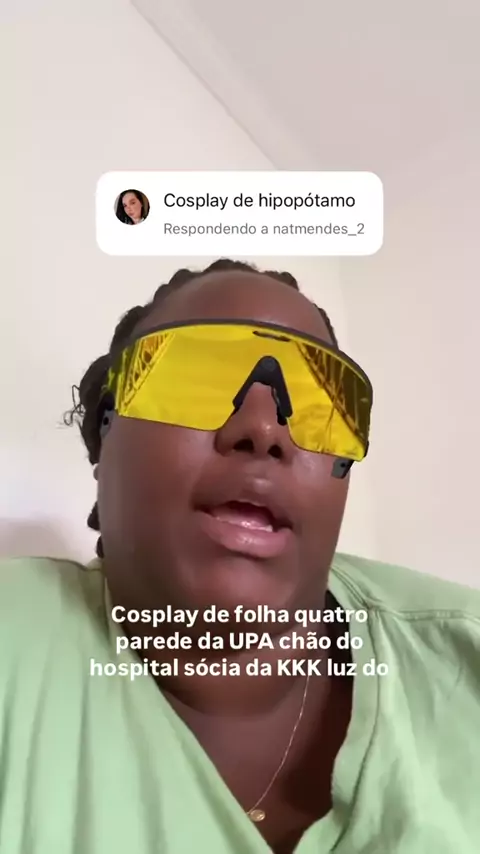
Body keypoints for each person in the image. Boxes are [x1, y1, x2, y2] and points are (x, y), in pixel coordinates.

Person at [1, 258, 479, 854]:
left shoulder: (466, 652)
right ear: (106, 434)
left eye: (315, 402)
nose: (264, 429)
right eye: (195, 380)